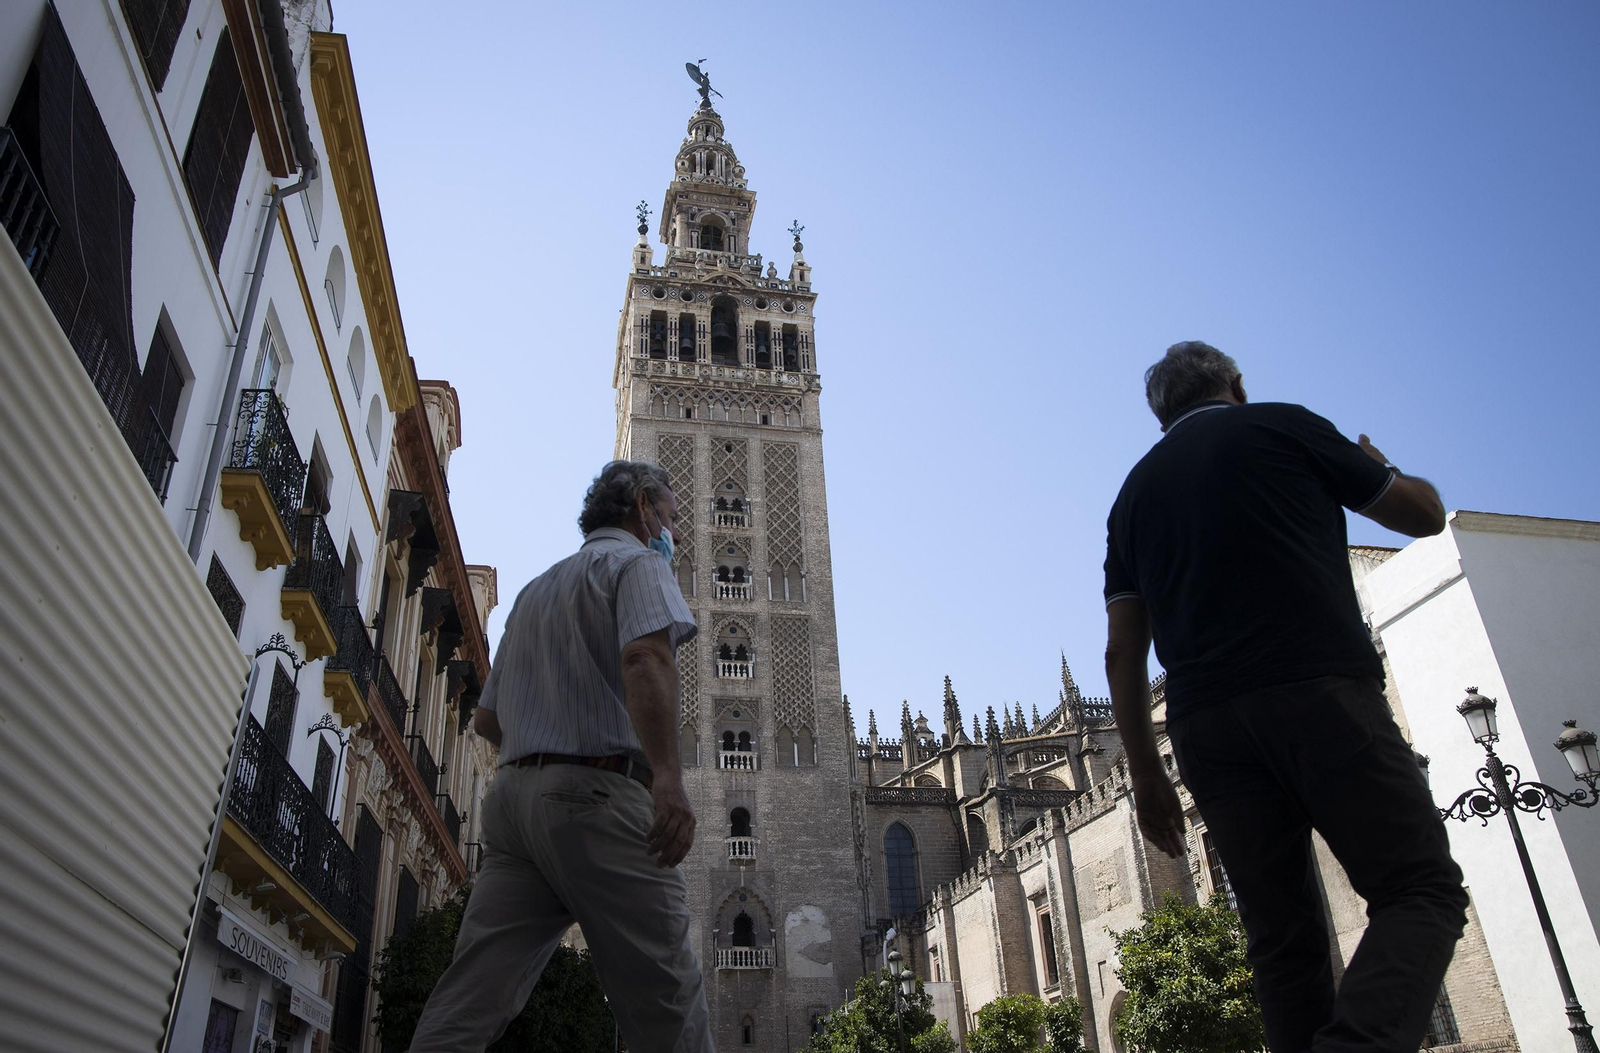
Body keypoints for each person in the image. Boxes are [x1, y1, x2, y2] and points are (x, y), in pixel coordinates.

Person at [1103, 342, 1468, 1053]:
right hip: (1321, 692)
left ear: (1161, 415)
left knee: (1280, 942)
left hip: (1208, 733)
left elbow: (1122, 652)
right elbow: (1424, 515)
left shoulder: (1133, 496)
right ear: (1235, 384)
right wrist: (1380, 463)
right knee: (1421, 887)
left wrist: (1147, 773)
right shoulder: (1285, 426)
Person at [408, 460, 712, 1053]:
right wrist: (668, 778)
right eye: (672, 518)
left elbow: (489, 720)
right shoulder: (638, 563)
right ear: (643, 507)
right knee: (667, 1005)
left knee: (469, 1000)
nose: (675, 531)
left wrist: (543, 755)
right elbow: (646, 660)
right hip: (597, 798)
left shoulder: (535, 590)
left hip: (513, 808)